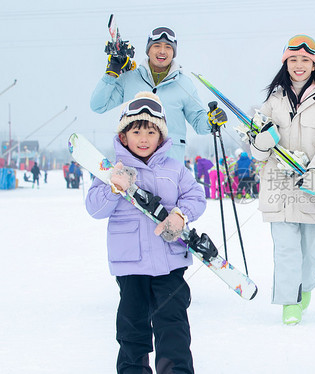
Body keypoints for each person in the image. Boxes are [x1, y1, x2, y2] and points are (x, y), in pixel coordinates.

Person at [85, 92, 206, 374]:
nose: (143, 138)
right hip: (131, 266)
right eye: (136, 130)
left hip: (169, 263)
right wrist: (113, 188)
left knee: (173, 327)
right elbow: (94, 209)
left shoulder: (174, 169)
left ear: (161, 136)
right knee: (132, 329)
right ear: (124, 136)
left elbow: (196, 197)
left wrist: (180, 214)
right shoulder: (109, 171)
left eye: (151, 131)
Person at [249, 34, 315, 325]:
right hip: (280, 187)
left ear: (314, 64)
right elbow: (256, 151)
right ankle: (289, 301)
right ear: (286, 63)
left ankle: (305, 287)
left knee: (313, 253)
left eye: (305, 60)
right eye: (293, 60)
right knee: (287, 249)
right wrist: (262, 142)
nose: (299, 65)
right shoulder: (272, 102)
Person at [90, 26, 227, 162]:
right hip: (133, 165)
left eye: (168, 47)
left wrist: (211, 121)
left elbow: (199, 122)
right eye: (156, 46)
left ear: (174, 52)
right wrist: (111, 74)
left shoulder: (184, 84)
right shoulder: (130, 79)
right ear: (148, 50)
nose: (162, 51)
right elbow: (98, 105)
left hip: (170, 166)